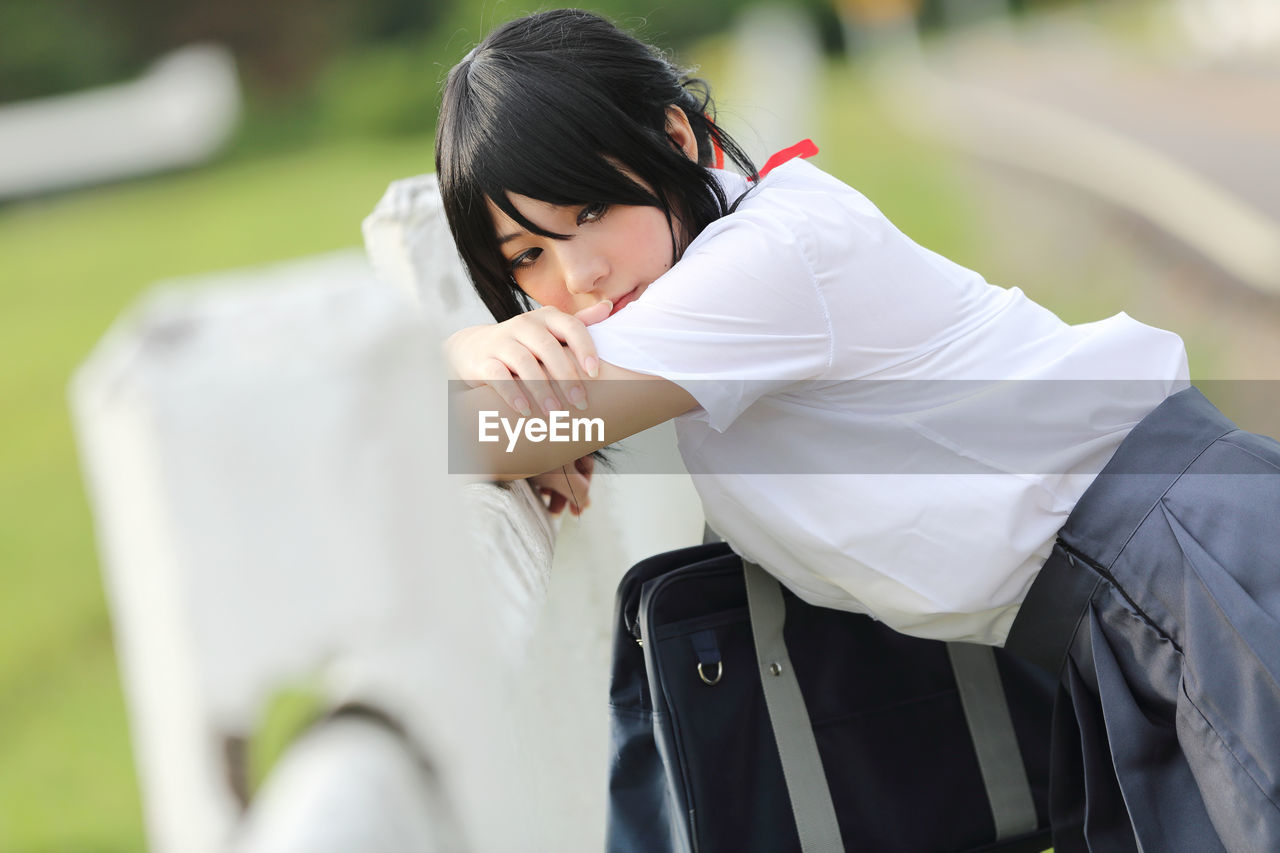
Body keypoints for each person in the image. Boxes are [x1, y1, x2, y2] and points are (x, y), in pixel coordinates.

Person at [434, 9, 1280, 852]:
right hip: (1145, 587)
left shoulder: (763, 263)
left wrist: (471, 349)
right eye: (523, 259)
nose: (577, 276)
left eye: (589, 209)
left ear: (676, 139)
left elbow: (484, 433)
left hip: (1187, 569)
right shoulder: (738, 245)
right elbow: (536, 422)